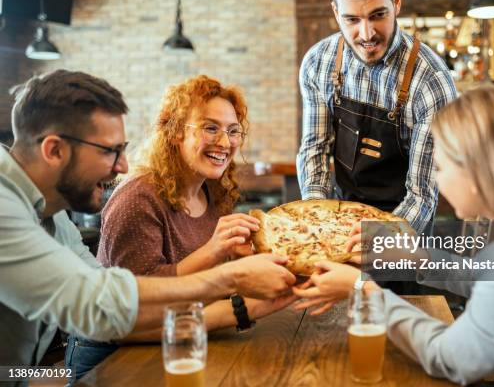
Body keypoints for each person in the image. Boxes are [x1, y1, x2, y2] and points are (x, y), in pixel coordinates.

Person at [293, 85, 494, 386]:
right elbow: (492, 279)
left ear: (477, 173)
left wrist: (363, 291)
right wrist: (413, 257)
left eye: (441, 167)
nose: (436, 179)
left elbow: (451, 358)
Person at [0, 70, 296, 382]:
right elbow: (91, 301)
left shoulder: (53, 214)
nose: (123, 166)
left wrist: (244, 307)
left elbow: (109, 309)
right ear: (54, 150)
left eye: (123, 149)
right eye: (108, 151)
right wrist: (231, 279)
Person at [297, 0, 457, 236]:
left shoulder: (430, 81)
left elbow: (422, 195)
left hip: (403, 233)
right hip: (340, 222)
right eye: (352, 20)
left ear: (396, 3)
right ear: (336, 13)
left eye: (377, 15)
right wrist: (318, 221)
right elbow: (314, 151)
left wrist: (375, 241)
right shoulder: (319, 62)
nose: (367, 34)